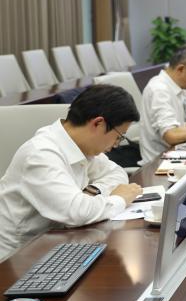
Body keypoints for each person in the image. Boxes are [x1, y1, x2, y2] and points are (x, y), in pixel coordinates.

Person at [0, 85, 143, 261]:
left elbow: (116, 173)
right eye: (119, 136)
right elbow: (77, 213)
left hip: (56, 242)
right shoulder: (41, 154)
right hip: (16, 258)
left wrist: (92, 192)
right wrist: (119, 199)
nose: (116, 144)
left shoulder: (80, 145)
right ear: (98, 123)